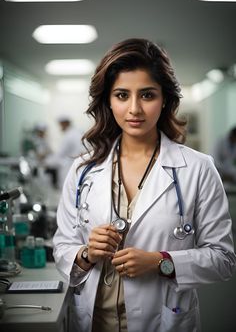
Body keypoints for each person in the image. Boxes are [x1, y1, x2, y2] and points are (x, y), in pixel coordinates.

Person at [53, 38, 236, 332]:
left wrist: (160, 262)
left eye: (147, 95)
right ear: (108, 101)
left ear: (165, 99)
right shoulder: (83, 169)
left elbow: (223, 259)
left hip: (163, 320)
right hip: (93, 321)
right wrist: (86, 253)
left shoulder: (198, 168)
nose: (134, 108)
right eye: (122, 95)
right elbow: (62, 245)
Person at [44, 116, 83, 189]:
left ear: (65, 123)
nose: (60, 127)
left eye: (60, 124)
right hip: (76, 168)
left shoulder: (68, 136)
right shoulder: (76, 132)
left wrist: (46, 162)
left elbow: (60, 155)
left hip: (68, 169)